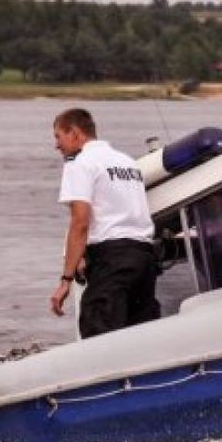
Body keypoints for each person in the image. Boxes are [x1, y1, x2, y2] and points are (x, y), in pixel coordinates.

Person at [49, 108, 160, 338]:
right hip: (145, 259)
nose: (56, 145)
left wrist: (65, 280)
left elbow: (80, 222)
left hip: (112, 260)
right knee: (141, 336)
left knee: (98, 332)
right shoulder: (128, 162)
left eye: (58, 137)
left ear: (75, 133)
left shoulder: (80, 164)